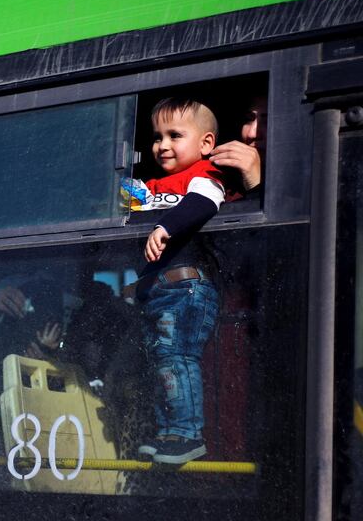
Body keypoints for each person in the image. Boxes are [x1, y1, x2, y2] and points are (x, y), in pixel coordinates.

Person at [129, 98, 224, 464]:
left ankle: (187, 434)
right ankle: (168, 431)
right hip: (159, 291)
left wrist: (166, 225)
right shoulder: (151, 186)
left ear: (205, 143)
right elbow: (113, 200)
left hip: (185, 288)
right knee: (161, 360)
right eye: (157, 137)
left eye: (174, 135)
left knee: (177, 357)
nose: (162, 144)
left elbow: (205, 203)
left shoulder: (202, 175)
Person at [209, 96, 266, 199]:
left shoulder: (301, 188)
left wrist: (255, 185)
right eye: (248, 119)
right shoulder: (221, 182)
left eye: (267, 121)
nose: (252, 134)